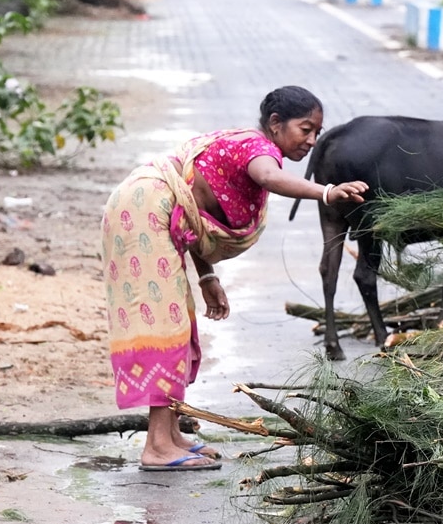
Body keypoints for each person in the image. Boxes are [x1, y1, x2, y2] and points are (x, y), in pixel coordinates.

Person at [100, 87, 367, 471]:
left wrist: (207, 275)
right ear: (275, 125)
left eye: (316, 133)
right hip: (143, 212)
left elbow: (192, 212)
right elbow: (269, 177)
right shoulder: (258, 150)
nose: (311, 141)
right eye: (304, 129)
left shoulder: (248, 145)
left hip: (157, 213)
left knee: (180, 321)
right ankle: (157, 446)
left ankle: (171, 435)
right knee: (164, 326)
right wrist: (326, 192)